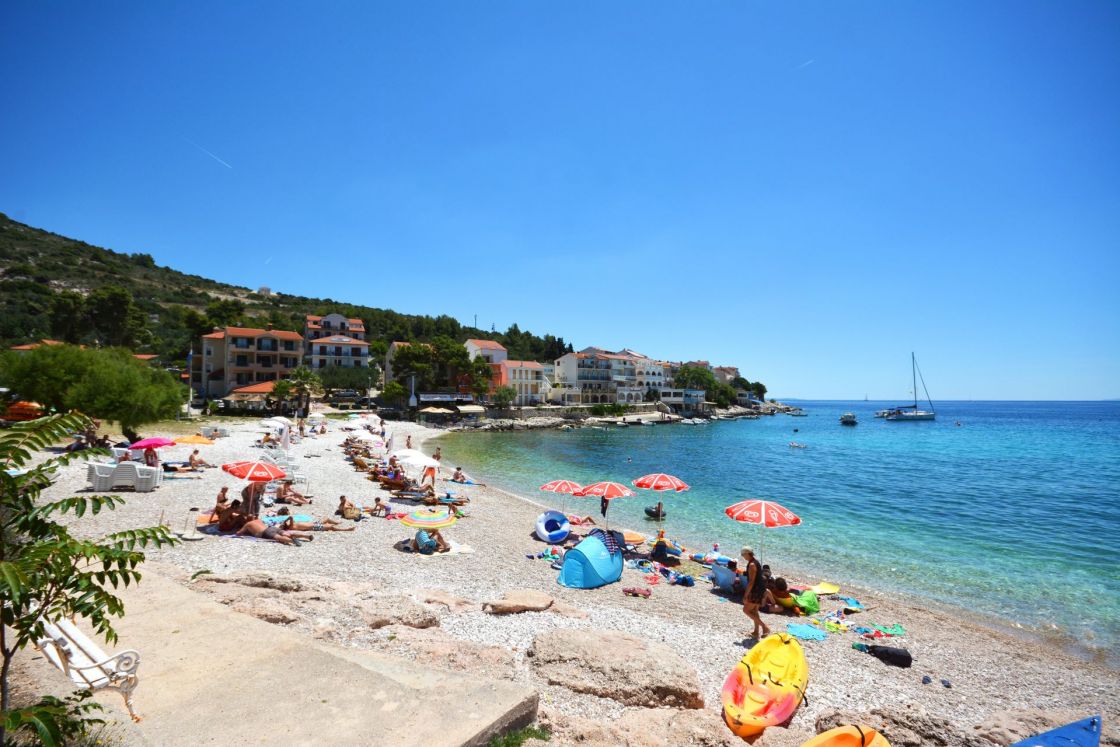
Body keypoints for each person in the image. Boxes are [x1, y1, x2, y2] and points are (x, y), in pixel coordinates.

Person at [741, 547, 771, 639]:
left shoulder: (752, 565)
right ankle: (756, 632)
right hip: (760, 589)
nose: (742, 556)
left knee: (746, 610)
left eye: (743, 554)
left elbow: (751, 582)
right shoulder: (755, 562)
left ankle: (765, 627)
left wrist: (746, 595)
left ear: (747, 553)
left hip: (756, 591)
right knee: (754, 611)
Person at [237, 517, 312, 546]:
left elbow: (239, 533)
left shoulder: (248, 524)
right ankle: (306, 536)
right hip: (272, 528)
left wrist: (242, 529)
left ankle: (292, 541)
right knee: (287, 533)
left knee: (279, 537)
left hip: (266, 532)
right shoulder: (258, 520)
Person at [274, 509, 354, 533]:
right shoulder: (291, 527)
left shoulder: (291, 524)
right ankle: (346, 529)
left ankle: (337, 523)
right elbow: (291, 517)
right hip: (314, 527)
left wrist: (283, 523)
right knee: (330, 527)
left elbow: (291, 518)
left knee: (327, 519)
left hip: (313, 524)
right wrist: (284, 521)